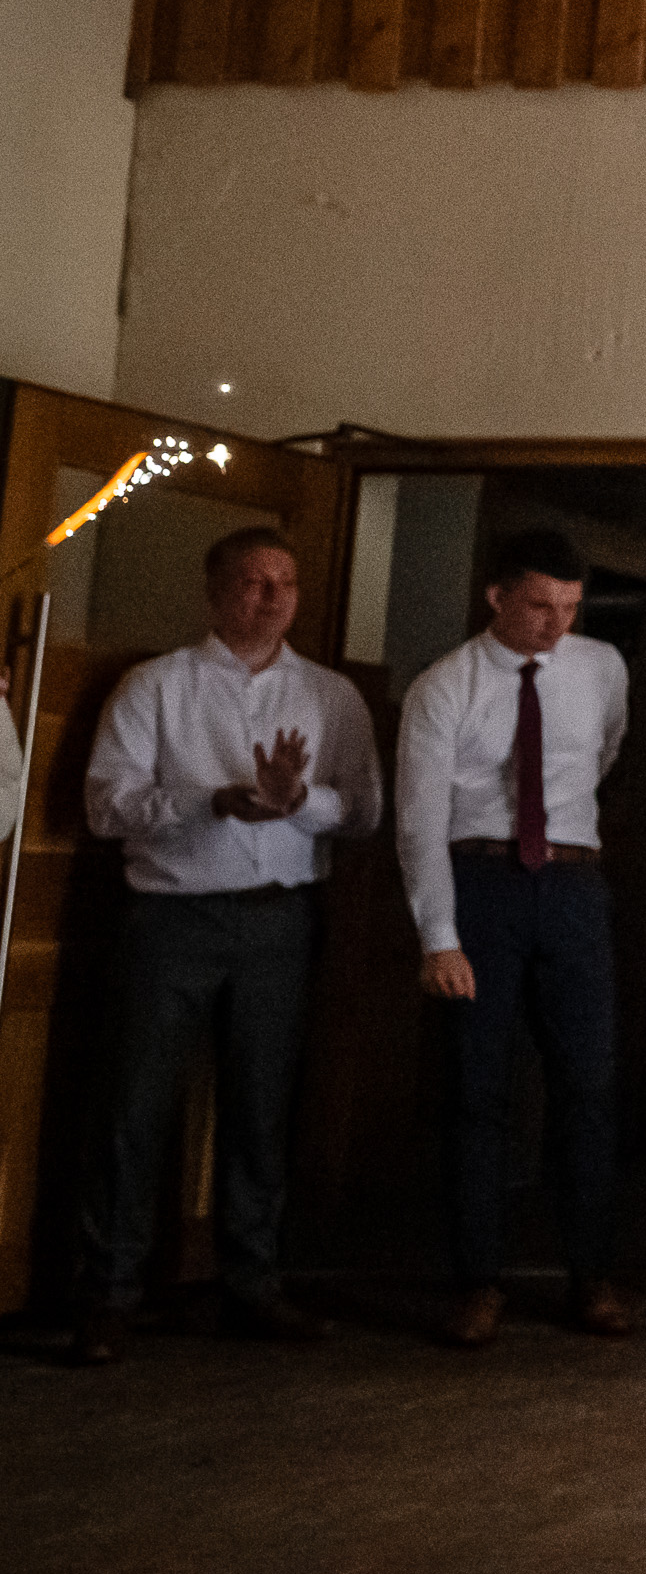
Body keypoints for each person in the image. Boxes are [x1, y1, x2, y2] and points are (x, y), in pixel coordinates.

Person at [68, 528, 381, 1364]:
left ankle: (252, 1282)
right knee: (135, 1104)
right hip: (171, 915)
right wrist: (214, 801)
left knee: (261, 1105)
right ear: (214, 592)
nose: (271, 597)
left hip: (279, 916)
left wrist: (298, 800)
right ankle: (109, 1293)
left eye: (285, 583)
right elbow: (106, 803)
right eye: (252, 581)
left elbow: (363, 811)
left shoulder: (331, 695)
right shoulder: (156, 685)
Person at [398, 527, 631, 1346]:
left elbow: (602, 754)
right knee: (477, 1089)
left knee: (588, 1086)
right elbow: (419, 820)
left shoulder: (601, 667)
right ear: (497, 596)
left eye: (570, 607)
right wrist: (439, 936)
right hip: (481, 883)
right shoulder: (444, 685)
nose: (556, 623)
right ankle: (478, 1281)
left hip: (571, 882)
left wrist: (558, 839)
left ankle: (592, 1275)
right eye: (539, 605)